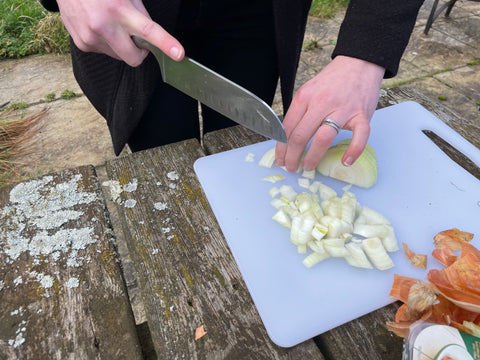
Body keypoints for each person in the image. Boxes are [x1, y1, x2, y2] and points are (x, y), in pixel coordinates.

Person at [39, 0, 424, 172]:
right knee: (164, 161)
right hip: (136, 16)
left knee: (241, 142)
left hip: (257, 12)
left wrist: (366, 51)